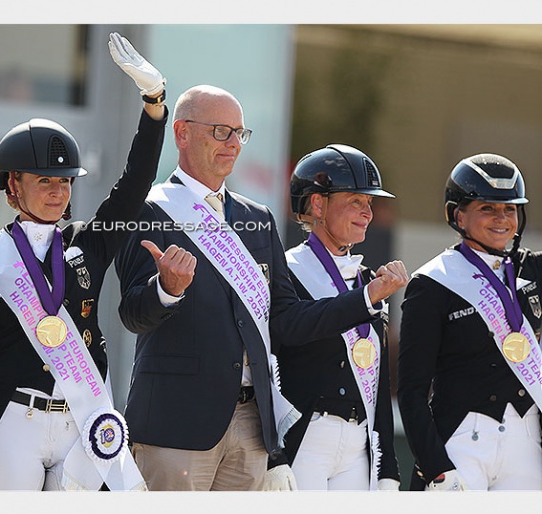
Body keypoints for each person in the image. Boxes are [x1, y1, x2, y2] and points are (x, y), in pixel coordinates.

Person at [113, 84, 407, 491]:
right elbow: (131, 312)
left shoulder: (258, 218)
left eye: (239, 133)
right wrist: (166, 289)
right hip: (178, 421)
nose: (233, 144)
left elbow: (284, 321)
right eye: (220, 131)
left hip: (252, 427)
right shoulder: (148, 208)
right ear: (181, 133)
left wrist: (365, 299)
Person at [0, 32, 167, 491]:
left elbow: (133, 187)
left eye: (66, 181)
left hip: (83, 422)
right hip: (16, 417)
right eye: (45, 180)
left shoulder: (88, 242)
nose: (59, 191)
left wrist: (154, 105)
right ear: (12, 184)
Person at [398, 153, 542, 491]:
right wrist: (436, 468)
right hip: (462, 442)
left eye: (510, 209)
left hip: (527, 440)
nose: (502, 219)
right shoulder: (432, 284)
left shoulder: (533, 270)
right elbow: (412, 391)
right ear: (458, 215)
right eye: (487, 208)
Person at [268, 144, 403, 491]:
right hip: (307, 437)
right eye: (356, 200)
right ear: (317, 203)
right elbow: (293, 327)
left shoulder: (367, 278)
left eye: (369, 203)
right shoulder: (286, 271)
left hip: (359, 443)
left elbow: (378, 381)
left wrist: (388, 466)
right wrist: (366, 298)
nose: (368, 213)